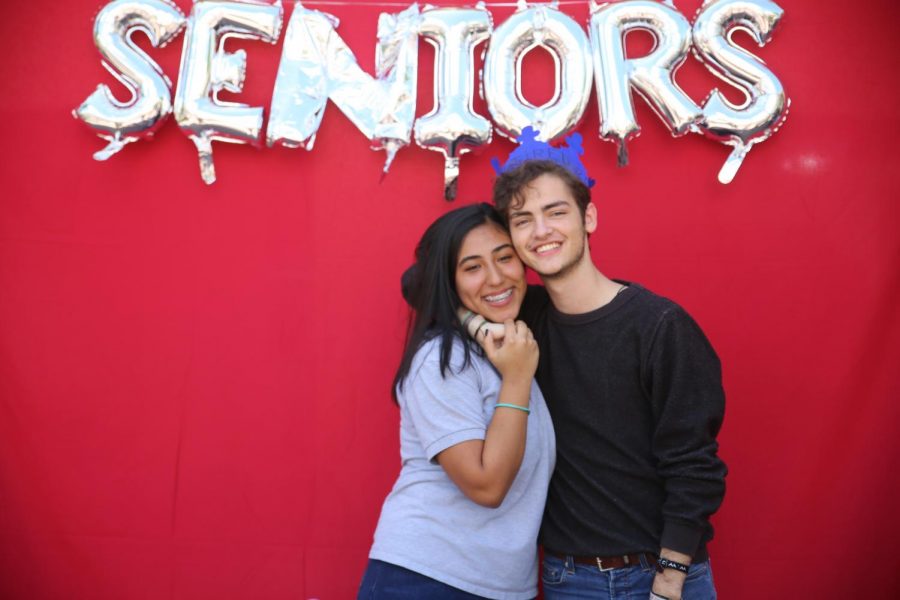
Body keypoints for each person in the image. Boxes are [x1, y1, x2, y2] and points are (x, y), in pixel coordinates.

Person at [491, 131, 727, 600]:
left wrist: (670, 577)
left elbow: (694, 464)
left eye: (556, 212)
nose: (541, 231)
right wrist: (480, 328)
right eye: (523, 220)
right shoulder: (525, 319)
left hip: (663, 574)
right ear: (512, 240)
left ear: (588, 217)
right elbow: (426, 287)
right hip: (568, 577)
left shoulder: (659, 325)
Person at [358, 203, 556, 600]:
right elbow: (486, 486)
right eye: (472, 267)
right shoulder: (443, 359)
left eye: (505, 257)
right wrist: (517, 379)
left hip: (498, 587)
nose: (497, 277)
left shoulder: (504, 347)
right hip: (427, 579)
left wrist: (474, 320)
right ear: (449, 283)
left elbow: (413, 283)